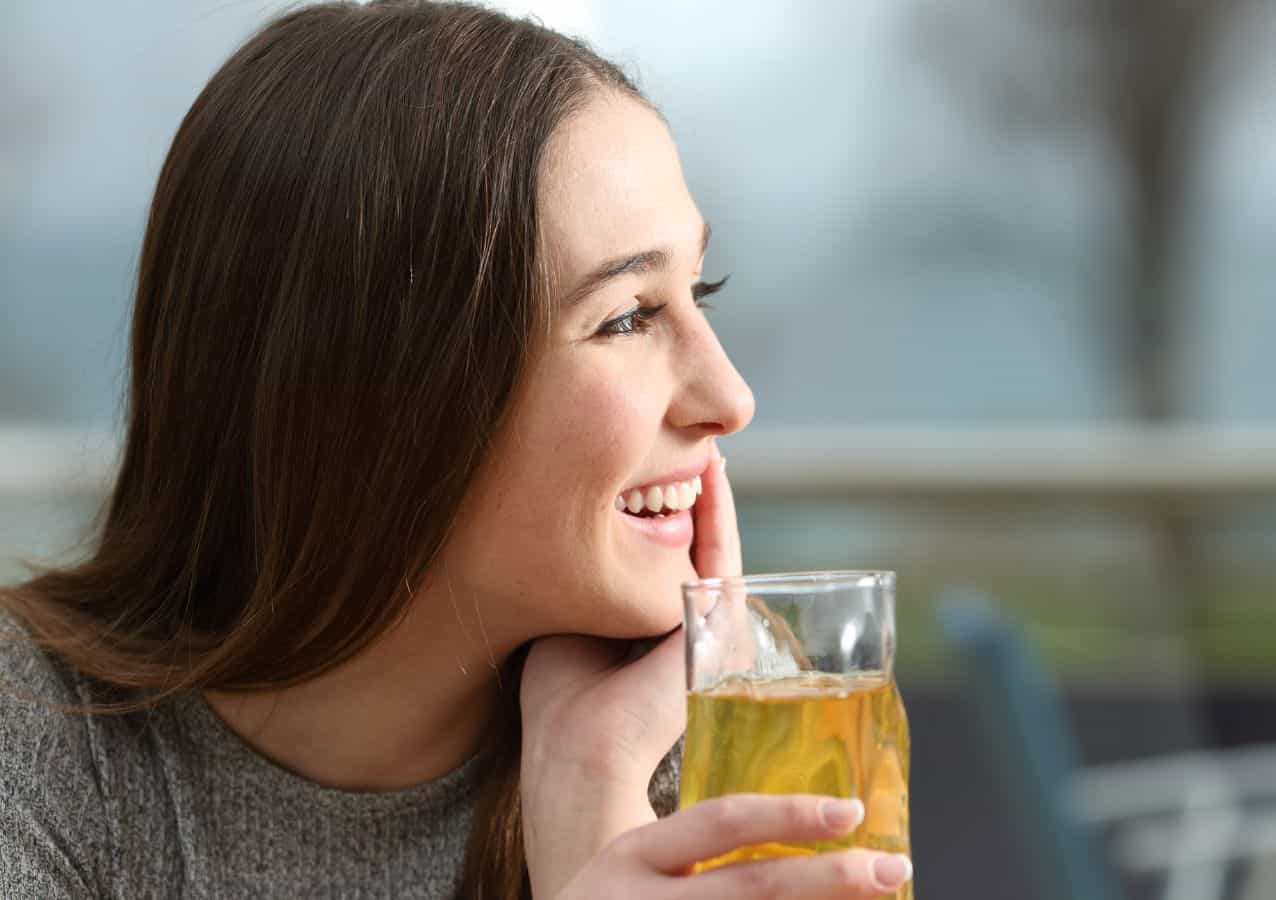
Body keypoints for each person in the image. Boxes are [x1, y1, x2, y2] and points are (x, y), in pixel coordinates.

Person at [0, 2, 915, 898]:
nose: (732, 398)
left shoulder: (741, 718)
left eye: (697, 292)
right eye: (629, 316)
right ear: (382, 393)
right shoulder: (35, 745)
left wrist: (592, 785)